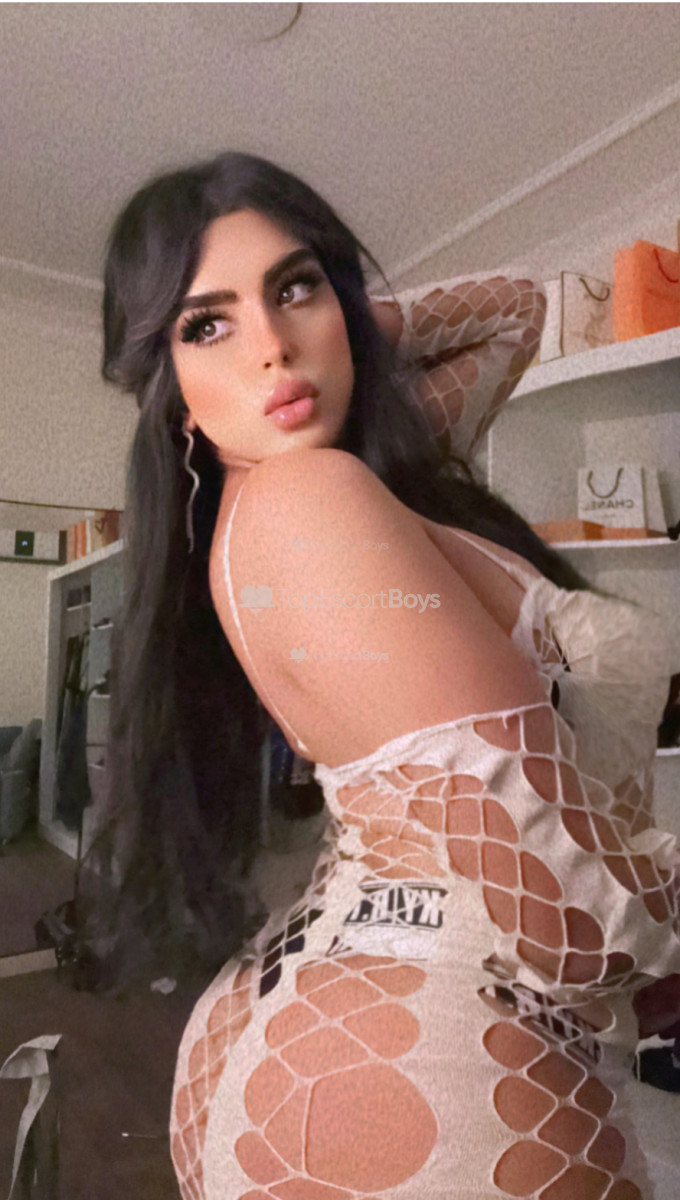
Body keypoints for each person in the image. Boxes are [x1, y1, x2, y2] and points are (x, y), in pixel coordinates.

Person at [83, 150, 680, 1198]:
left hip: (356, 1023)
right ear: (169, 390)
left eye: (294, 287)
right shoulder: (314, 500)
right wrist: (307, 332)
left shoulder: (318, 489)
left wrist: (328, 338)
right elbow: (573, 919)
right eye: (205, 325)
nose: (272, 348)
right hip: (432, 1059)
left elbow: (512, 316)